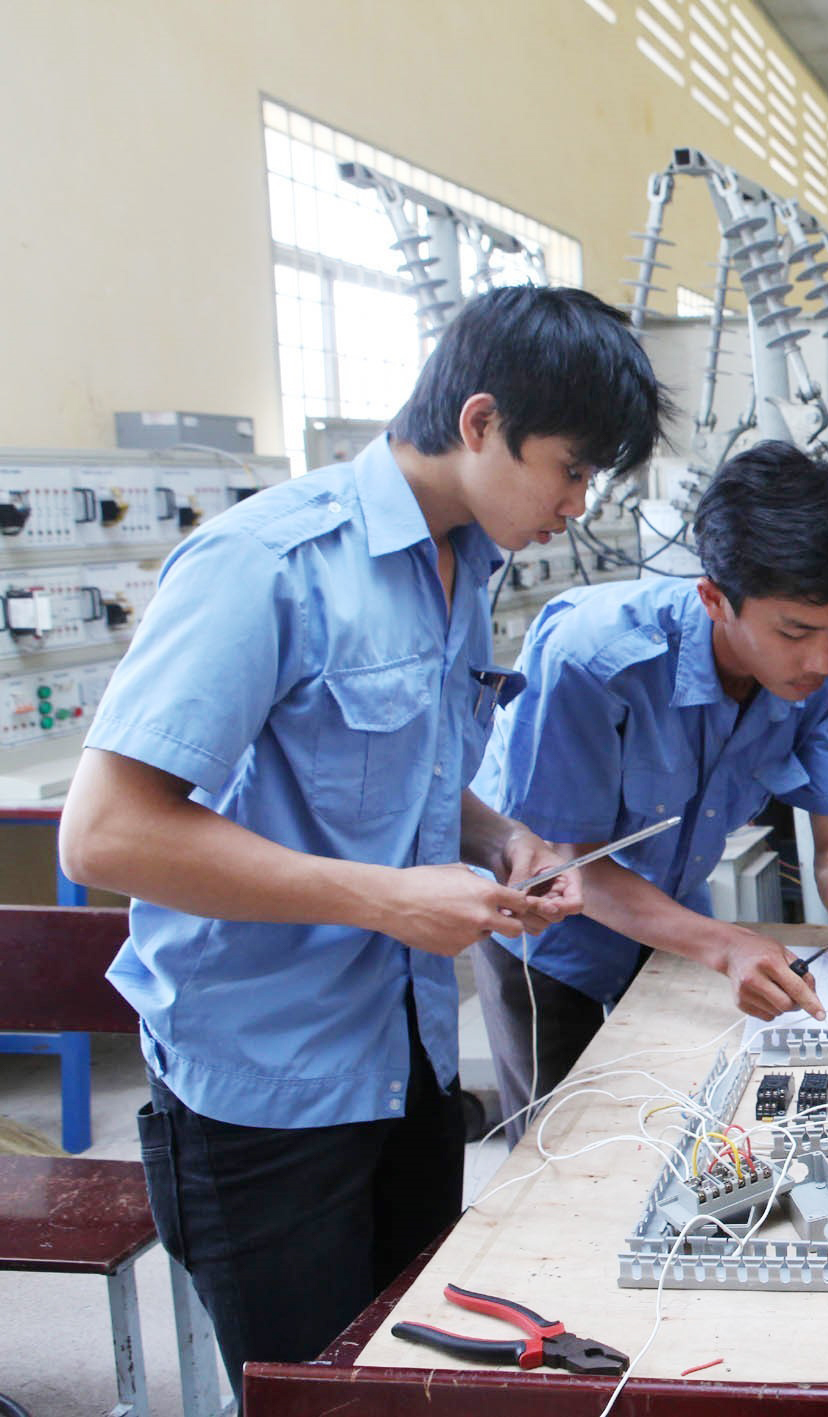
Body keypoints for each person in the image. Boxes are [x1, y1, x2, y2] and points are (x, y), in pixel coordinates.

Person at [56, 284, 666, 1386]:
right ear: (480, 422)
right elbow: (105, 834)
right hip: (266, 1083)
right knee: (308, 1394)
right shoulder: (266, 565)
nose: (577, 505)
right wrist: (388, 899)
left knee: (402, 1379)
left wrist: (498, 839)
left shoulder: (463, 563)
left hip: (407, 1058)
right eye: (570, 469)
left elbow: (401, 768)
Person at [471, 441, 828, 1145]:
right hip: (548, 931)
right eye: (796, 631)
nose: (822, 658)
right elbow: (567, 861)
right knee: (563, 1142)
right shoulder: (592, 658)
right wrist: (725, 945)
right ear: (715, 599)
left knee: (682, 1118)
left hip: (674, 913)